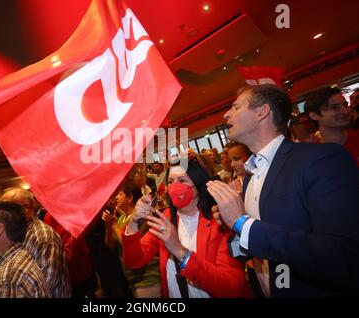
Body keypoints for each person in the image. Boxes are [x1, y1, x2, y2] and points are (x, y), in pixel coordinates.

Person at [207, 84, 359, 297]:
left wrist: (242, 222)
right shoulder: (251, 176)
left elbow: (340, 256)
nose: (226, 114)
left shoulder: (320, 159)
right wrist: (232, 226)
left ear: (262, 112)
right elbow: (264, 246)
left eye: (236, 107)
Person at [122, 157, 245, 298]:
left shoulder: (220, 220)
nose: (174, 187)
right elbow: (135, 260)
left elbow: (232, 287)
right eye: (170, 181)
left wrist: (180, 252)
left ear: (198, 185)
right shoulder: (167, 217)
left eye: (182, 181)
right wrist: (133, 223)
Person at [0, 187, 71, 297]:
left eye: (6, 209)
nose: (0, 215)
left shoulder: (43, 237)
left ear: (26, 208)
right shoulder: (14, 233)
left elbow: (44, 286)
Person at [102, 180, 161, 298]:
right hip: (132, 279)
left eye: (120, 194)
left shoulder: (140, 217)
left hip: (147, 278)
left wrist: (114, 226)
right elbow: (110, 246)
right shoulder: (121, 218)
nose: (116, 197)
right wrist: (109, 228)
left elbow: (132, 246)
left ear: (129, 198)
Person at [305, 86, 359, 166]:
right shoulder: (313, 155)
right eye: (334, 107)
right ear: (314, 115)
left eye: (345, 105)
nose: (345, 111)